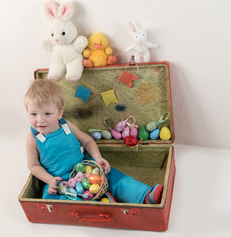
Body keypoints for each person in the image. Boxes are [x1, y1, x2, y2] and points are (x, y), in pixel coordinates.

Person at [24, 79, 163, 204]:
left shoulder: (66, 126)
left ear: (60, 112)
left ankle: (144, 194)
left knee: (111, 175)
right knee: (52, 198)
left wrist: (97, 158)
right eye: (33, 114)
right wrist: (49, 180)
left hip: (87, 170)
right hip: (59, 181)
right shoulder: (33, 138)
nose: (40, 120)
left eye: (47, 113)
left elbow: (87, 141)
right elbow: (33, 165)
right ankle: (96, 206)